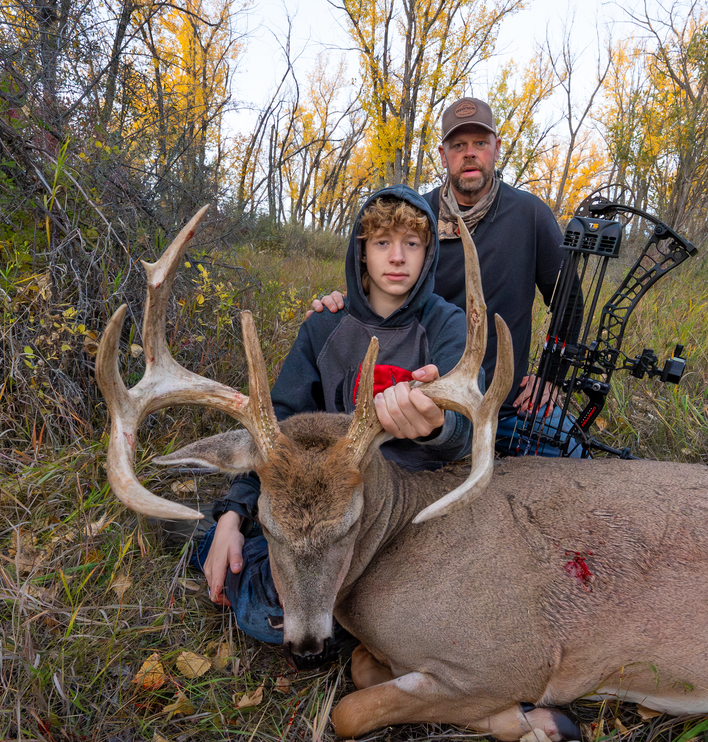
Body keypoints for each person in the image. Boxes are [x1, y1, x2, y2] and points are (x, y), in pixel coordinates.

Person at [196, 185, 475, 645]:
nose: (398, 257)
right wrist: (231, 515)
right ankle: (208, 539)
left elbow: (466, 429)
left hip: (415, 506)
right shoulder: (325, 324)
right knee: (266, 600)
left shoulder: (448, 325)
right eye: (382, 243)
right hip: (323, 505)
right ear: (361, 252)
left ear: (429, 255)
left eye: (412, 243)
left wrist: (439, 426)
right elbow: (274, 431)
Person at [312, 96, 578, 458]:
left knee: (574, 453)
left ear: (496, 149)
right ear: (443, 154)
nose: (469, 153)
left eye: (480, 144)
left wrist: (552, 375)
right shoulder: (415, 220)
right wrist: (340, 302)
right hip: (420, 407)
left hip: (506, 408)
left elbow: (569, 303)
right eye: (458, 145)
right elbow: (376, 292)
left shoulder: (530, 215)